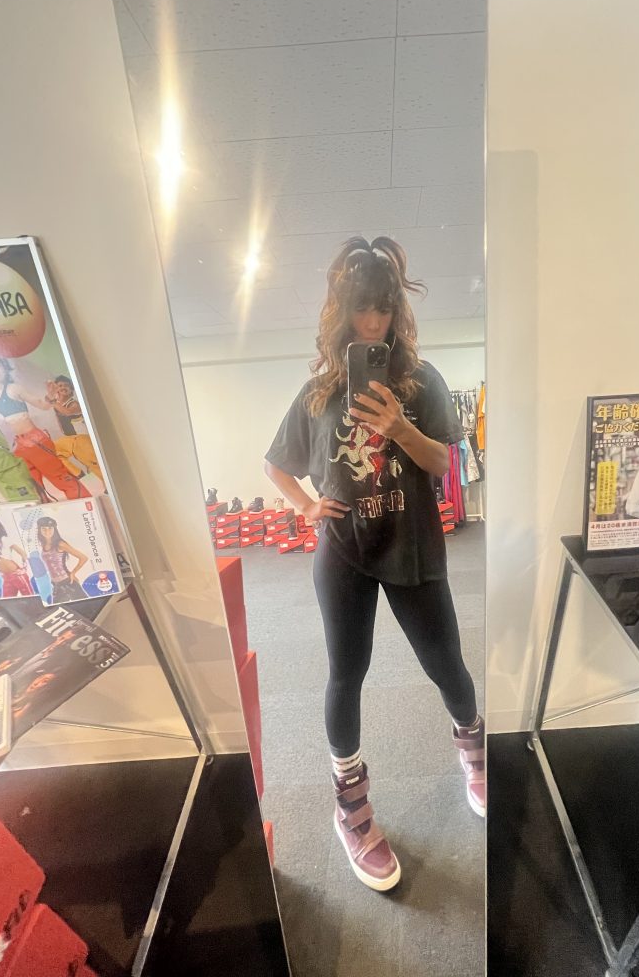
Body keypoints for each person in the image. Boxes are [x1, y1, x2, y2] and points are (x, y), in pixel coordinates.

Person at [264, 236, 484, 893]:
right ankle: (350, 807)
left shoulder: (422, 382)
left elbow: (444, 462)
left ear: (396, 311)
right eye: (362, 309)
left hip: (412, 543)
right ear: (342, 314)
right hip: (344, 553)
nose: (372, 322)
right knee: (346, 674)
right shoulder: (317, 394)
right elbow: (275, 465)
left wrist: (401, 429)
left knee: (446, 664)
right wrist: (307, 507)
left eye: (383, 308)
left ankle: (474, 751)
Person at [0, 357, 90, 500]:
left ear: (6, 369)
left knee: (59, 476)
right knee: (33, 483)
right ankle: (42, 508)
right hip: (19, 444)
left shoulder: (13, 388)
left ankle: (84, 502)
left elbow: (43, 406)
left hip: (35, 440)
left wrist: (51, 397)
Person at [47, 375, 102, 482]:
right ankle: (79, 474)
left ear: (71, 390)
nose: (63, 387)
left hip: (82, 439)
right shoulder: (58, 404)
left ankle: (104, 484)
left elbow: (67, 412)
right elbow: (49, 403)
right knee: (54, 451)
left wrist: (52, 401)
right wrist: (51, 393)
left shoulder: (74, 404)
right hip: (71, 439)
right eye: (60, 386)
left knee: (93, 464)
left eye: (66, 385)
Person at [35, 516, 88, 602]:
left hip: (68, 582)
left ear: (54, 529)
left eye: (50, 528)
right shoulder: (44, 544)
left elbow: (83, 558)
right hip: (56, 585)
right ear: (40, 530)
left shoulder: (60, 544)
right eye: (44, 529)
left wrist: (73, 573)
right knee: (58, 608)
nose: (47, 531)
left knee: (86, 605)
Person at [0, 514, 32, 598]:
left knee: (30, 597)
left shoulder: (4, 539)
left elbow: (23, 553)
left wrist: (24, 568)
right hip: (6, 577)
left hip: (17, 574)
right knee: (8, 601)